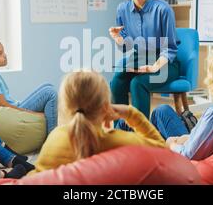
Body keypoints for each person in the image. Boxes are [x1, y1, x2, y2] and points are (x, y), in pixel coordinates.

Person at [30, 70, 165, 173]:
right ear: (106, 106)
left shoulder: (55, 138)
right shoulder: (120, 141)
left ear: (65, 106)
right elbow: (163, 153)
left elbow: (36, 178)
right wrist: (131, 114)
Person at [109, 0, 180, 123]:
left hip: (166, 63)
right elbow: (127, 47)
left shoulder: (163, 9)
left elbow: (170, 49)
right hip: (139, 59)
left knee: (138, 83)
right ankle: (121, 131)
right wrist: (118, 38)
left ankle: (142, 134)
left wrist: (154, 66)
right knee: (116, 81)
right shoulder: (122, 9)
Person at [0, 38, 57, 134]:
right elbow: (4, 106)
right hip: (13, 113)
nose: (4, 55)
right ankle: (52, 136)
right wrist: (34, 114)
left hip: (16, 106)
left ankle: (51, 122)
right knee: (50, 93)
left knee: (47, 86)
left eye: (3, 52)